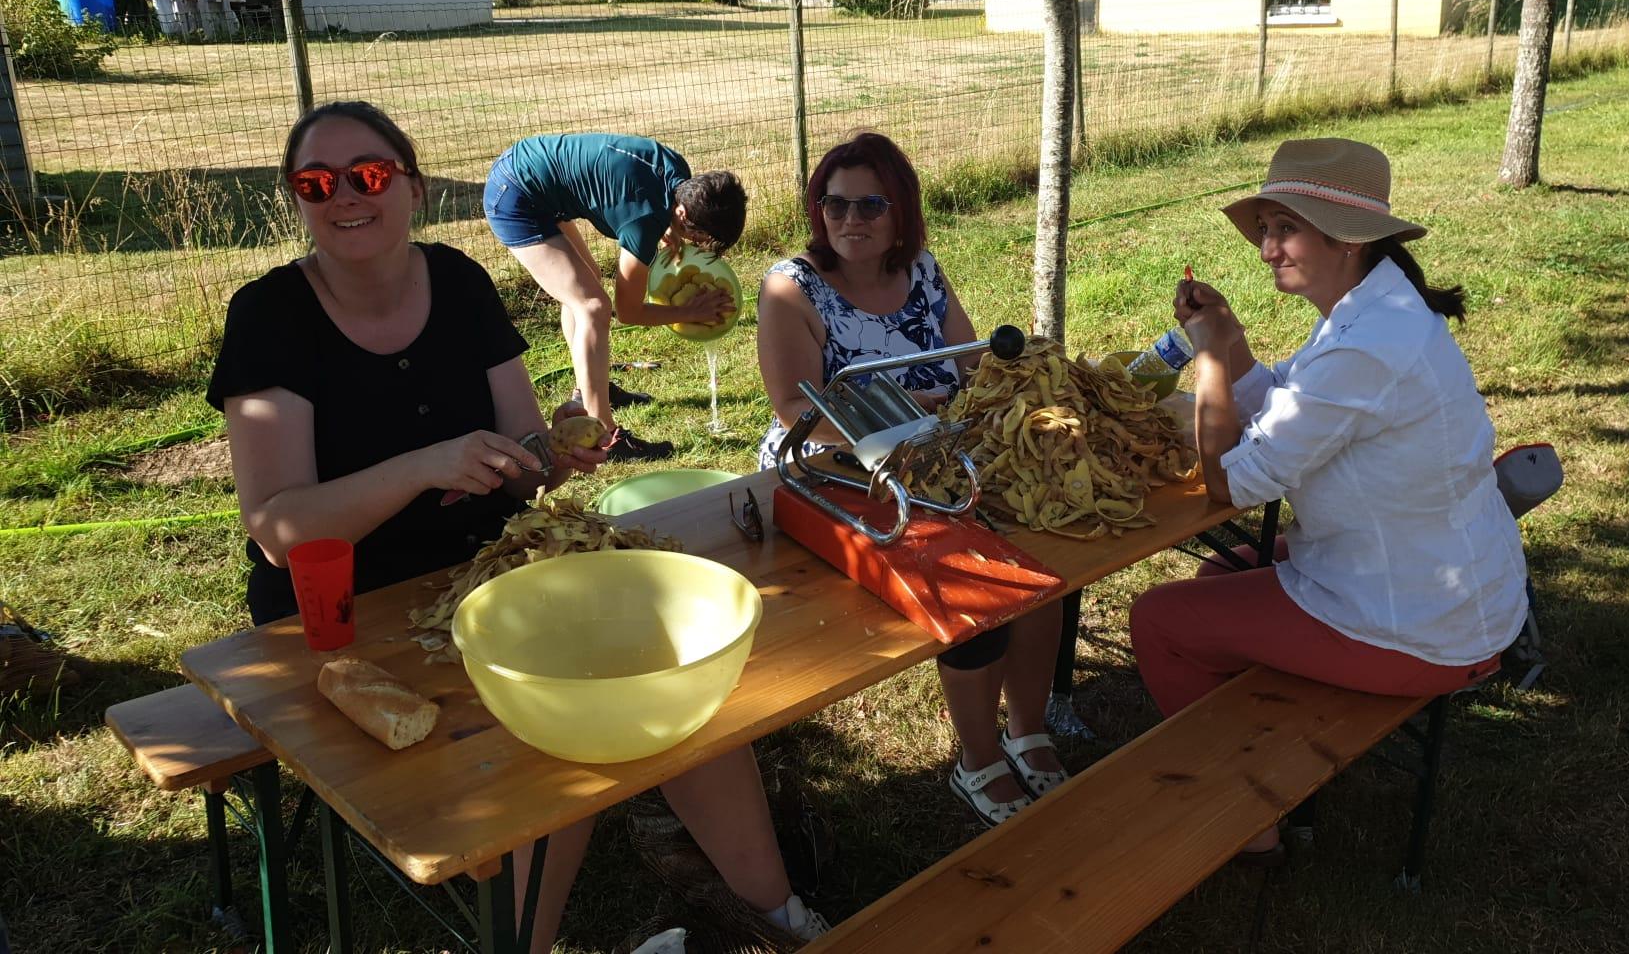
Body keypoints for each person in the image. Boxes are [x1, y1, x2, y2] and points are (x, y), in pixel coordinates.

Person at [210, 102, 827, 951]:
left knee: (679, 688)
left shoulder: (459, 283)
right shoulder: (269, 316)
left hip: (492, 575)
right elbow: (278, 527)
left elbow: (525, 453)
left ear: (413, 189)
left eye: (370, 175)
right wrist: (426, 464)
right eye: (316, 182)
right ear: (298, 200)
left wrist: (555, 452)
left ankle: (781, 920)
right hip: (345, 616)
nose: (345, 195)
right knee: (553, 742)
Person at [1128, 138, 1528, 861]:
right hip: (1445, 582)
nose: (1265, 250)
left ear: (1346, 240)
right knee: (1220, 577)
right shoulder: (1375, 310)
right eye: (1266, 230)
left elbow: (1234, 483)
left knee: (1158, 622)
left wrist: (1213, 357)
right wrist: (1236, 344)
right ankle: (1269, 751)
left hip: (1426, 626)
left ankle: (1250, 821)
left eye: (1284, 230)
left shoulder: (1369, 343)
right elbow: (1288, 408)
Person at [755, 132, 1068, 827]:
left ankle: (1027, 727)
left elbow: (970, 365)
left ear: (902, 212)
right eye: (833, 204)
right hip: (834, 469)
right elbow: (797, 408)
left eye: (871, 203)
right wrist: (909, 413)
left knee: (1045, 571)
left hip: (936, 457)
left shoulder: (921, 269)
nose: (850, 219)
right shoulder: (791, 286)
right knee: (976, 589)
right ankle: (977, 759)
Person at [483, 132, 747, 461]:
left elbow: (649, 203)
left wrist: (671, 234)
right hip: (514, 196)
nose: (699, 245)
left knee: (585, 284)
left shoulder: (679, 175)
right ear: (683, 214)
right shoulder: (644, 219)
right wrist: (689, 311)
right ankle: (604, 433)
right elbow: (629, 311)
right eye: (701, 236)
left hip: (534, 174)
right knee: (593, 306)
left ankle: (591, 389)